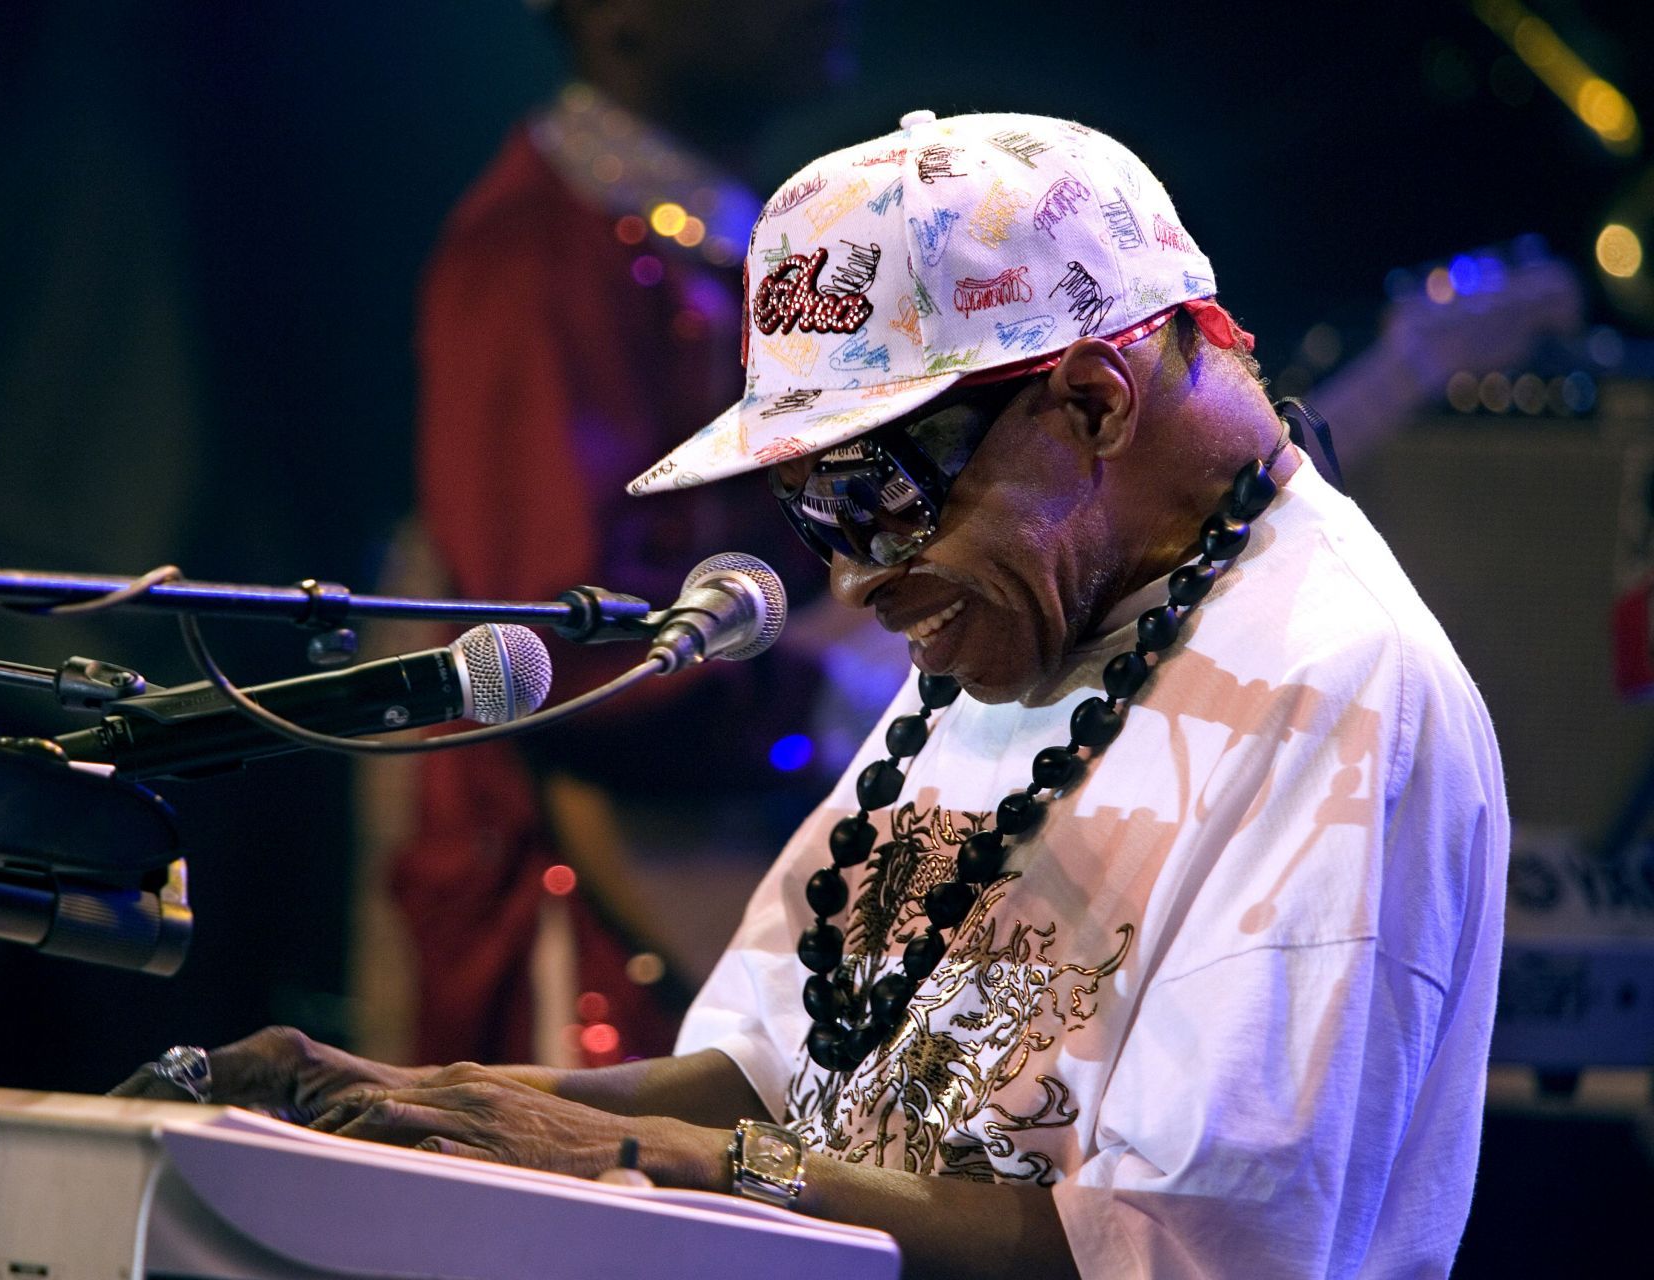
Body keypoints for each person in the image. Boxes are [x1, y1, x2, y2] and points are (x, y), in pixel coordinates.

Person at [119, 110, 1507, 1278]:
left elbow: (1166, 1248)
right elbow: (768, 1084)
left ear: (1091, 402)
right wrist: (401, 1101)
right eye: (807, 505)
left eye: (879, 491)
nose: (850, 576)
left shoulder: (1334, 689)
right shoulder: (1023, 624)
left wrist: (638, 1154)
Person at [362, 0, 850, 1069]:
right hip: (587, 880)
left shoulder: (744, 242)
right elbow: (554, 648)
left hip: (728, 833)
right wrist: (831, 691)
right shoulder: (531, 254)